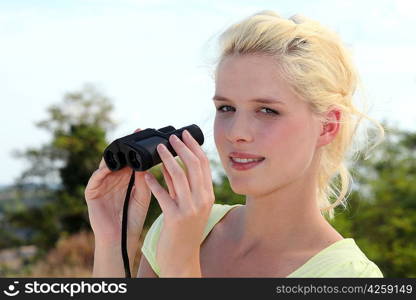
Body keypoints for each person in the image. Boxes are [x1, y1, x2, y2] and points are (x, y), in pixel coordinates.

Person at [85, 10, 385, 277]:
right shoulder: (178, 228)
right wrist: (114, 243)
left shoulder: (347, 276)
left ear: (327, 126)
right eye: (226, 108)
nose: (236, 133)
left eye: (267, 111)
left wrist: (181, 265)